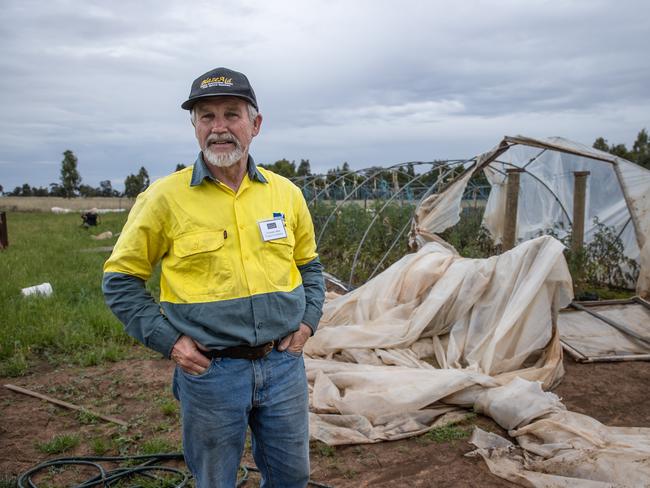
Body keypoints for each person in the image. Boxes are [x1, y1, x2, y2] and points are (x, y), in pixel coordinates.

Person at [102, 67, 325, 487]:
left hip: (283, 365)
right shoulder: (165, 198)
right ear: (194, 126)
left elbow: (309, 267)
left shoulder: (285, 194)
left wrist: (309, 321)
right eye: (206, 116)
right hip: (211, 374)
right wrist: (171, 342)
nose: (219, 128)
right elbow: (120, 280)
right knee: (214, 480)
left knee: (292, 476)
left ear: (255, 124)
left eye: (231, 114)